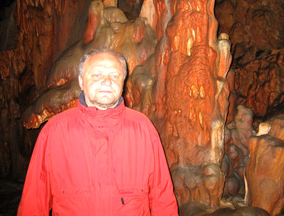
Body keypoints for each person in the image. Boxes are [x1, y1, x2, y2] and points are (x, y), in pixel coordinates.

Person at [18, 49, 178, 215]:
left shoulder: (142, 128)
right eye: (97, 75)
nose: (107, 81)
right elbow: (34, 202)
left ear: (123, 83)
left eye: (115, 76)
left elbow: (163, 198)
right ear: (81, 81)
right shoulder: (55, 131)